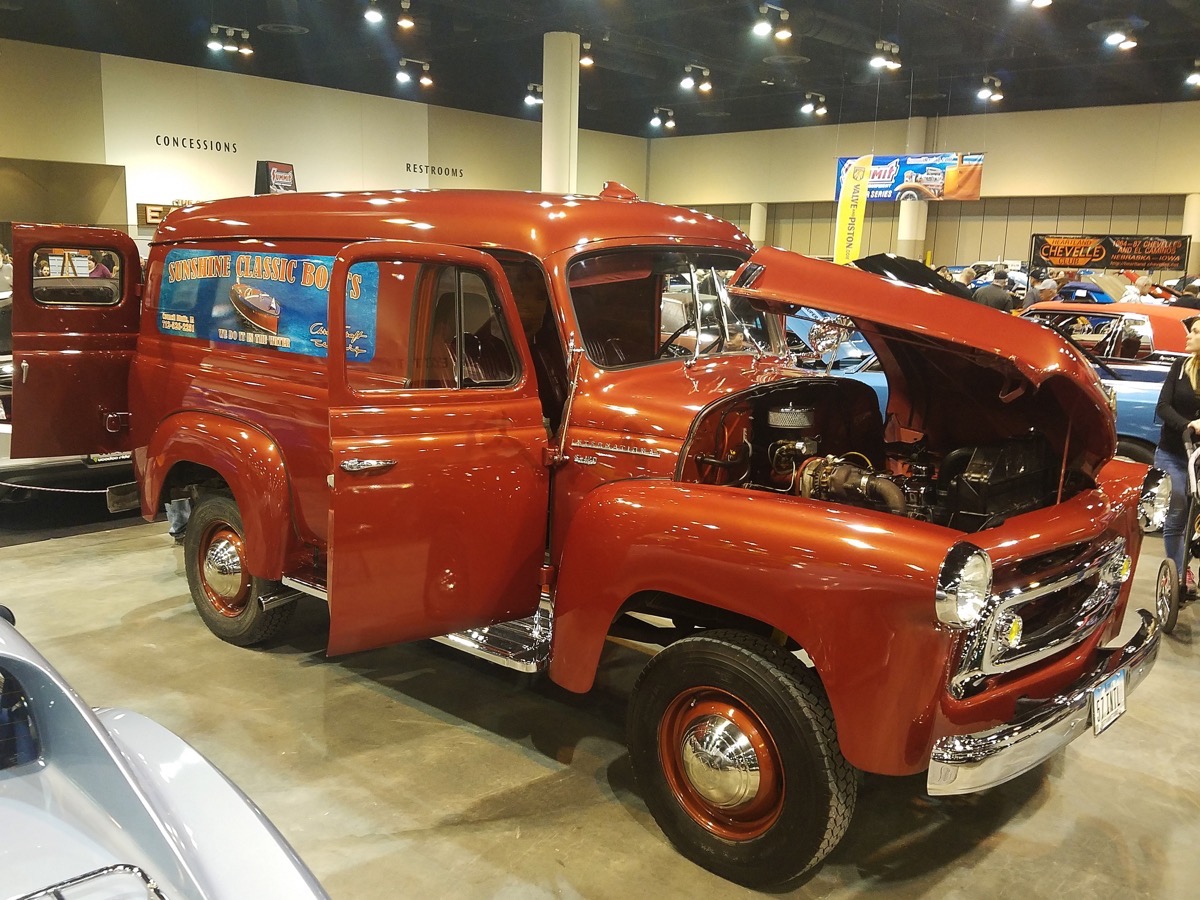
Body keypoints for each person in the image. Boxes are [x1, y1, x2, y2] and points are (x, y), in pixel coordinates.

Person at [1155, 317, 1200, 591]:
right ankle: (1181, 572)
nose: (1189, 336)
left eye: (1195, 332)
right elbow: (1163, 406)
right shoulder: (1179, 367)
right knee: (1176, 512)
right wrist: (1188, 425)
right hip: (1174, 451)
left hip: (1199, 459)